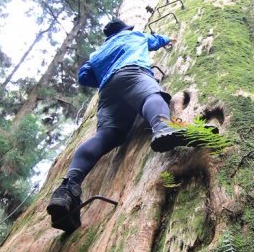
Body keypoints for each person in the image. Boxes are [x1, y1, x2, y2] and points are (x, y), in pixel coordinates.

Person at [47, 18, 193, 232]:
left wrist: (107, 73)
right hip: (134, 72)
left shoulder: (97, 53)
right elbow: (154, 40)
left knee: (106, 134)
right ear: (125, 29)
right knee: (151, 96)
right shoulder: (134, 35)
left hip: (107, 90)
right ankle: (161, 128)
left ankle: (67, 188)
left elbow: (83, 75)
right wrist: (167, 39)